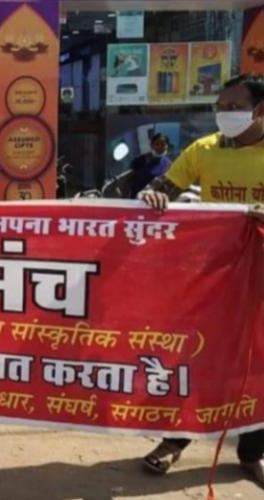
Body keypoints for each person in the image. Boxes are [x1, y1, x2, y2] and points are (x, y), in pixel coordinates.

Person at [138, 73, 264, 488]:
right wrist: (155, 196)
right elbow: (164, 187)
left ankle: (252, 452)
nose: (223, 115)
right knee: (200, 357)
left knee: (260, 365)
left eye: (233, 107)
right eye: (221, 107)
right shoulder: (203, 151)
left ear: (259, 110)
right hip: (217, 277)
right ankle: (175, 441)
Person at [127, 133, 172, 199]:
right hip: (137, 200)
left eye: (163, 144)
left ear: (167, 146)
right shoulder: (140, 160)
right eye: (157, 144)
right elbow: (129, 181)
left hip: (157, 201)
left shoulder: (168, 164)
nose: (159, 147)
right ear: (152, 145)